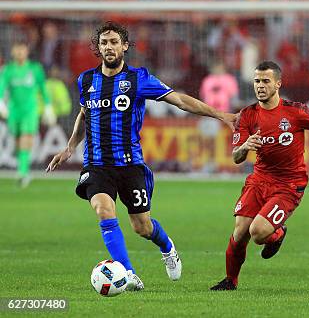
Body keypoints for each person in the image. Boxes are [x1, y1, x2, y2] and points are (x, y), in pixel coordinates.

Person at [46, 22, 237, 291]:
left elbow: (180, 100)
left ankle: (167, 246)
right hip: (97, 164)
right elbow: (84, 113)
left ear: (124, 46)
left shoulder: (139, 79)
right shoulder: (86, 80)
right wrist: (69, 147)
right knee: (103, 210)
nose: (108, 47)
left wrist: (221, 115)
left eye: (114, 42)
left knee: (142, 226)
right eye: (103, 43)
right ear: (97, 48)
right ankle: (128, 273)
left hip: (130, 164)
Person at [210, 61, 309, 291]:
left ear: (278, 84)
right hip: (259, 180)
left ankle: (278, 232)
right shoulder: (247, 115)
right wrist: (245, 146)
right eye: (257, 81)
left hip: (289, 185)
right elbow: (236, 158)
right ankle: (230, 281)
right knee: (240, 232)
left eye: (266, 81)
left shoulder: (295, 111)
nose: (260, 86)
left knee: (257, 232)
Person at [0, 42, 56, 187]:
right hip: (14, 111)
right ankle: (23, 168)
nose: (19, 53)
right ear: (13, 53)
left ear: (26, 52)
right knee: (18, 140)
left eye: (22, 50)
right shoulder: (8, 70)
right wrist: (1, 104)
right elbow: (2, 87)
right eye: (17, 51)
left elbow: (43, 88)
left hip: (30, 110)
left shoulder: (34, 69)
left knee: (26, 136)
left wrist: (48, 106)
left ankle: (22, 172)